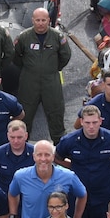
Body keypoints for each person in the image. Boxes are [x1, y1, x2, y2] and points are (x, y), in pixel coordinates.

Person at [56, 104, 110, 218]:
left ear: (100, 121)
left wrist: (108, 165)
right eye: (87, 122)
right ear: (81, 122)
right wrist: (72, 167)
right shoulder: (69, 141)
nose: (91, 126)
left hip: (102, 194)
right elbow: (57, 158)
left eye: (95, 122)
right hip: (78, 194)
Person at [12, 7, 72, 138]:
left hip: (51, 81)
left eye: (43, 20)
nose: (40, 23)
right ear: (32, 20)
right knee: (25, 114)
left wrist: (53, 68)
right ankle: (22, 144)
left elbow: (65, 56)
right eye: (37, 20)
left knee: (55, 112)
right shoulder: (24, 37)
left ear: (49, 20)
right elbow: (16, 57)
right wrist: (30, 68)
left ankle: (59, 146)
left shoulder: (57, 37)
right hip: (29, 82)